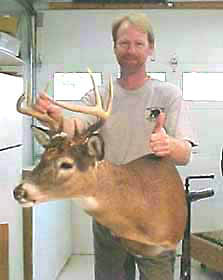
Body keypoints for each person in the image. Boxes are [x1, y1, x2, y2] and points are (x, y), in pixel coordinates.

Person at [35, 13, 196, 280]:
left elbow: (186, 153)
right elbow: (77, 126)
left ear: (151, 48)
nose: (130, 50)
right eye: (124, 43)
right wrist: (58, 119)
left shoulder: (168, 95)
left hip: (154, 212)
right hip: (109, 210)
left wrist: (168, 145)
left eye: (138, 43)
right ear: (114, 48)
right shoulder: (100, 95)